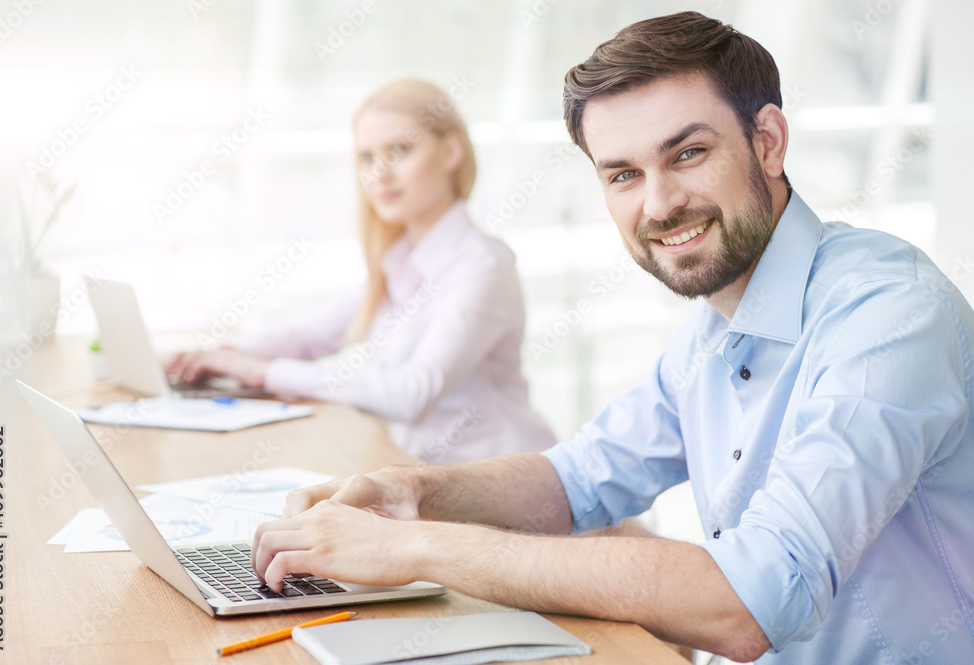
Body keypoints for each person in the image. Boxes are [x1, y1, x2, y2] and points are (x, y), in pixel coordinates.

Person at [249, 13, 974, 664]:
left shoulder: (887, 315)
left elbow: (751, 603)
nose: (659, 204)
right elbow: (577, 479)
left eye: (687, 154)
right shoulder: (711, 330)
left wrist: (414, 548)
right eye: (624, 174)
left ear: (769, 141)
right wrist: (413, 494)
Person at [166, 79, 556, 463]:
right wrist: (210, 358)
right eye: (367, 158)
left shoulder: (481, 265)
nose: (379, 173)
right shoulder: (400, 265)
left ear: (450, 151)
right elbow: (306, 339)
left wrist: (261, 372)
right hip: (431, 478)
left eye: (399, 150)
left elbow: (411, 393)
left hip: (508, 485)